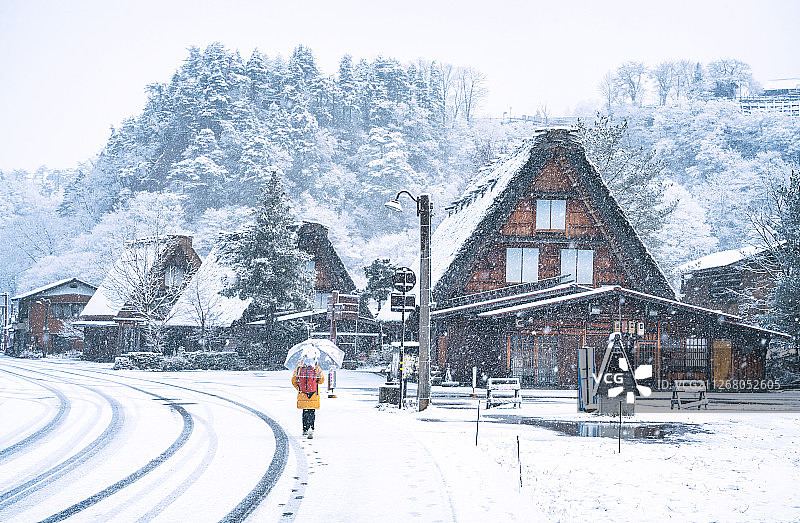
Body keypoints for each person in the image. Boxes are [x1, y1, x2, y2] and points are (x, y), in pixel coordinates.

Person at [291, 347, 325, 439]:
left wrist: (300, 389)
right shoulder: (316, 368)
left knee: (305, 412)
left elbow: (294, 381)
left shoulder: (299, 368)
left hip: (303, 394)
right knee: (312, 412)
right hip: (313, 394)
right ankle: (311, 428)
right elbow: (321, 381)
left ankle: (305, 429)